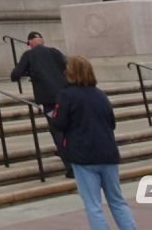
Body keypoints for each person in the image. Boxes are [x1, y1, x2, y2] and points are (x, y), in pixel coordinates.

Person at [49, 56, 137, 230]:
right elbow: (111, 122)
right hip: (107, 152)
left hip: (83, 155)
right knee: (117, 200)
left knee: (93, 204)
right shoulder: (100, 94)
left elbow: (59, 123)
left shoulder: (67, 95)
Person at [10, 31, 70, 178]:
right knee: (69, 127)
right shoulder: (55, 52)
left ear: (29, 43)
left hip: (49, 99)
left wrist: (30, 72)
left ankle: (71, 166)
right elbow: (66, 66)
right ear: (42, 41)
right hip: (66, 95)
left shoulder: (29, 55)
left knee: (57, 130)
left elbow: (15, 75)